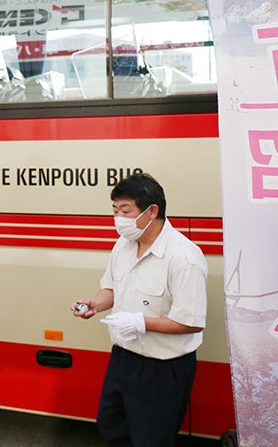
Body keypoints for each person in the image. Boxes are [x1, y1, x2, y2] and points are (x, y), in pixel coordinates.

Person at [71, 172, 207, 446]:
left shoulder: (183, 257)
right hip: (123, 358)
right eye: (115, 211)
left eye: (125, 211)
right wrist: (95, 303)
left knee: (151, 439)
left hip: (162, 368)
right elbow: (111, 288)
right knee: (111, 426)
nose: (118, 219)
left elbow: (191, 321)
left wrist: (140, 322)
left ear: (151, 211)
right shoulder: (123, 245)